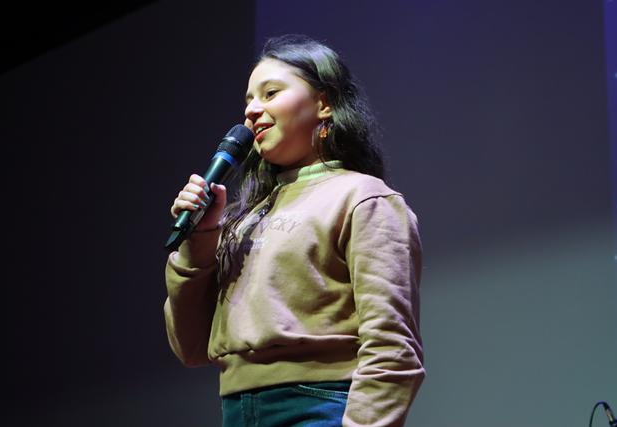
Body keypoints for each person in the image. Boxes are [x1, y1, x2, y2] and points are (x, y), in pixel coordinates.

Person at [163, 34, 425, 427]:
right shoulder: (243, 218)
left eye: (270, 93)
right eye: (249, 100)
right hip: (237, 411)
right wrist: (199, 239)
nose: (252, 111)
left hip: (319, 406)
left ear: (324, 103)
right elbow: (191, 347)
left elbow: (392, 347)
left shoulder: (363, 197)